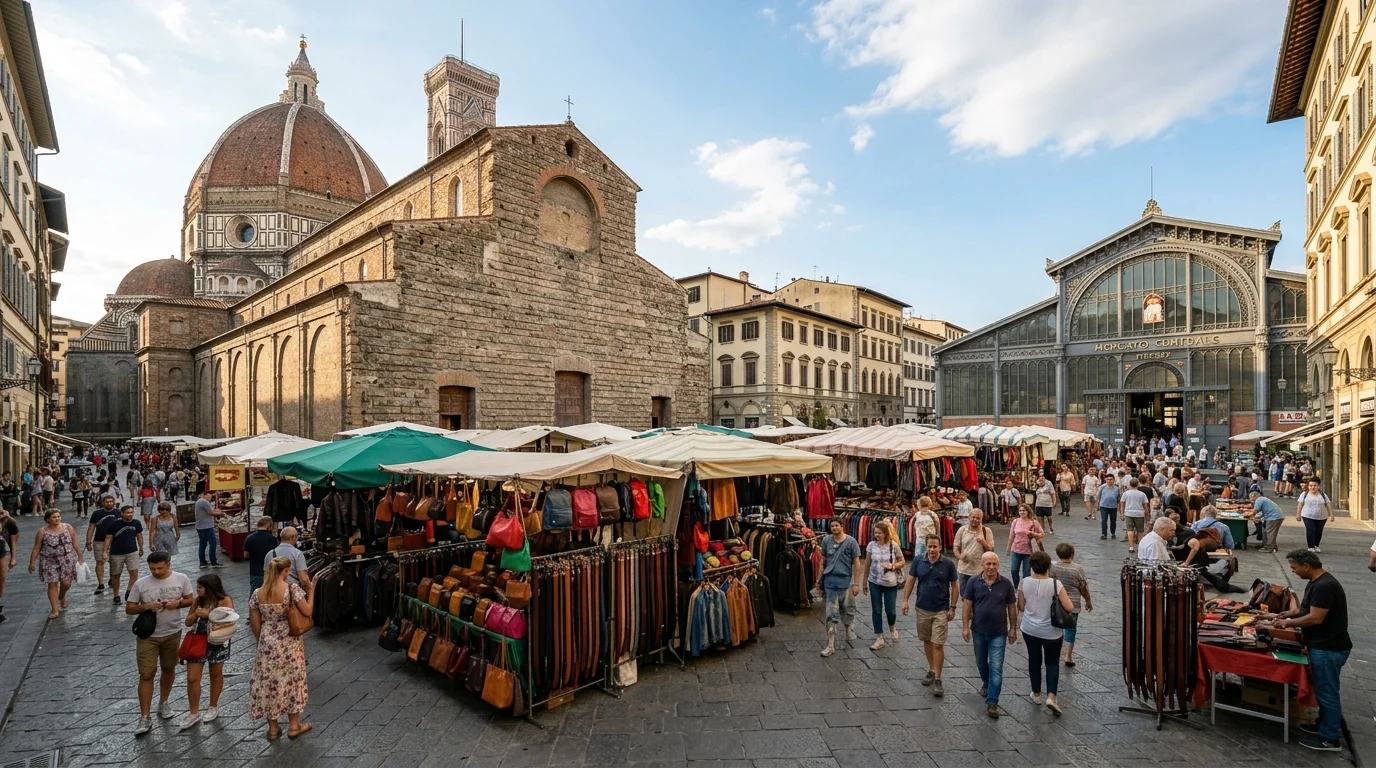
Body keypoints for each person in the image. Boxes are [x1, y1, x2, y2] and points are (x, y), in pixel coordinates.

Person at [1267, 550, 1350, 752]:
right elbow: (1306, 609)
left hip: (1328, 647)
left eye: (1294, 568)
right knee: (1326, 689)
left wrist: (1287, 623)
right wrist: (1288, 613)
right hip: (1324, 645)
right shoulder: (1317, 582)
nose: (1293, 572)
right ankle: (1324, 725)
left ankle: (1330, 739)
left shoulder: (1324, 586)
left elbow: (1315, 618)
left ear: (1306, 565)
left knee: (1327, 692)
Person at [127, 551, 194, 735]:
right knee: (146, 674)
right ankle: (144, 716)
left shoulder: (182, 579)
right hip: (147, 635)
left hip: (172, 632)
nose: (156, 572)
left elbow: (190, 599)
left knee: (168, 668)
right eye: (152, 569)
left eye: (160, 568)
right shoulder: (141, 583)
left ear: (168, 565)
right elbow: (130, 608)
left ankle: (163, 702)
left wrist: (177, 603)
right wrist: (147, 606)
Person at [250, 556, 315, 740]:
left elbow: (255, 624)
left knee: (270, 684)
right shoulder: (291, 589)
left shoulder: (258, 593)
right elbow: (308, 611)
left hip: (267, 643)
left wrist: (262, 641)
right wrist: (312, 590)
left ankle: (272, 729)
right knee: (292, 681)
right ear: (286, 571)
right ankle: (294, 726)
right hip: (289, 642)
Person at [961, 552, 1018, 719]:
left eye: (994, 564)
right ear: (982, 565)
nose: (991, 567)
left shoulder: (1006, 584)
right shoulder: (973, 582)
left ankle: (992, 701)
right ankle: (986, 682)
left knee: (996, 667)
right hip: (978, 630)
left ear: (998, 565)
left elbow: (1012, 607)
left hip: (998, 632)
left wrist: (1013, 628)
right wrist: (965, 627)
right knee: (980, 662)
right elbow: (966, 606)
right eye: (988, 564)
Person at [1017, 551, 1074, 717]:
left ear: (1032, 566)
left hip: (1029, 629)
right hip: (1052, 632)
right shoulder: (1056, 584)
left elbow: (1020, 606)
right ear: (1048, 566)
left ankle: (1036, 694)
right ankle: (1051, 696)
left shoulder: (1024, 582)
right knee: (1052, 663)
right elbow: (1069, 607)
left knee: (1034, 660)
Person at [901, 534, 958, 697]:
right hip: (922, 608)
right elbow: (911, 581)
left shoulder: (948, 564)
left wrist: (953, 607)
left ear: (940, 547)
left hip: (941, 608)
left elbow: (955, 586)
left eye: (935, 546)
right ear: (926, 547)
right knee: (926, 640)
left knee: (938, 643)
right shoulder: (918, 561)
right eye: (929, 546)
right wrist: (905, 600)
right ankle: (931, 669)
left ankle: (938, 678)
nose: (932, 549)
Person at [180, 573, 234, 730]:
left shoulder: (224, 600)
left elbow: (230, 619)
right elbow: (188, 622)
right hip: (199, 638)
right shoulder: (198, 601)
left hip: (218, 639)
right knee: (192, 677)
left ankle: (213, 706)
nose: (198, 590)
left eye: (201, 587)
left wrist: (210, 615)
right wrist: (196, 614)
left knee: (215, 673)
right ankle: (193, 712)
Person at [817, 518, 862, 656]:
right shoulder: (826, 541)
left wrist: (856, 584)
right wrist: (818, 581)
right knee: (831, 615)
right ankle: (830, 645)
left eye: (837, 525)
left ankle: (848, 627)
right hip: (830, 583)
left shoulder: (851, 542)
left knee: (848, 609)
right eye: (832, 526)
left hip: (846, 583)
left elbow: (857, 563)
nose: (834, 528)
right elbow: (822, 561)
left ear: (842, 526)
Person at [28, 509, 82, 619]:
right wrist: (32, 562)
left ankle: (61, 596)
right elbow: (37, 547)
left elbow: (75, 541)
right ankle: (55, 609)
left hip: (66, 559)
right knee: (52, 584)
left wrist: (80, 555)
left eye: (58, 516)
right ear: (47, 520)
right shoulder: (42, 532)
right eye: (54, 517)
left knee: (66, 583)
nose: (57, 518)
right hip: (49, 561)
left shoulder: (68, 527)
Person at [861, 520, 905, 650]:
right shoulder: (871, 545)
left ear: (885, 533)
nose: (877, 535)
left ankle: (892, 627)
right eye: (875, 533)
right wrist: (864, 581)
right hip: (874, 581)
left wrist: (893, 565)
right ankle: (879, 637)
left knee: (890, 610)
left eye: (880, 533)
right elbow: (867, 563)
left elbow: (902, 561)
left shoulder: (893, 545)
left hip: (890, 582)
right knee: (876, 609)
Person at [1049, 543, 1091, 667]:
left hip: (1058, 602)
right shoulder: (1077, 569)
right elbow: (1082, 587)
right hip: (1073, 604)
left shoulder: (1053, 567)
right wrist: (1088, 600)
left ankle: (1054, 652)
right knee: (1071, 629)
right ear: (1072, 554)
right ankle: (1068, 655)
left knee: (1055, 627)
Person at [101, 505, 146, 606]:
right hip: (116, 553)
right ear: (122, 513)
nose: (130, 515)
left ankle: (129, 591)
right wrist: (104, 552)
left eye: (131, 512)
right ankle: (116, 595)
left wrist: (141, 547)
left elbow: (139, 536)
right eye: (128, 513)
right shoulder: (114, 524)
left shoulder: (136, 523)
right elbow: (108, 538)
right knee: (115, 575)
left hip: (132, 552)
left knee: (134, 573)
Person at [952, 508, 994, 599]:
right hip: (964, 570)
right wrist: (960, 557)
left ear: (981, 519)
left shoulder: (986, 531)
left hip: (979, 571)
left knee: (979, 596)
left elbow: (991, 549)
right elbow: (955, 547)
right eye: (973, 517)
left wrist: (983, 542)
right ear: (969, 517)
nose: (975, 519)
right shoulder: (962, 530)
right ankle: (968, 613)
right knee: (965, 597)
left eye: (978, 518)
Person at [85, 495, 118, 596]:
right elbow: (91, 527)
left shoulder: (118, 512)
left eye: (111, 502)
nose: (109, 504)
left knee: (114, 562)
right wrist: (88, 541)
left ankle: (112, 579)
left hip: (115, 541)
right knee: (100, 562)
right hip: (99, 541)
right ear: (103, 503)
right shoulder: (97, 514)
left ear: (114, 502)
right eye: (107, 502)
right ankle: (100, 583)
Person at [1004, 504, 1043, 588]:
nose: (1022, 512)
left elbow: (1042, 534)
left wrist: (1033, 533)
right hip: (1016, 549)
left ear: (1028, 511)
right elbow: (1012, 535)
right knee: (1014, 570)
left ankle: (1025, 588)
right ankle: (1016, 586)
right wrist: (1008, 547)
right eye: (1020, 511)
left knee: (1026, 572)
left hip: (1028, 551)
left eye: (1024, 510)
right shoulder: (1016, 521)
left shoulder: (1033, 522)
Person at [244, 516, 279, 592]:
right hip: (269, 570)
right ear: (268, 525)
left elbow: (245, 555)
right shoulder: (272, 539)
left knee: (254, 592)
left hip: (255, 570)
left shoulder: (249, 538)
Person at [1296, 480, 1333, 552]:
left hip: (1321, 516)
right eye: (1311, 485)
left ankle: (1316, 545)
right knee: (1310, 529)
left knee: (1318, 531)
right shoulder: (1304, 494)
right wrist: (1298, 514)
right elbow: (1300, 504)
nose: (1313, 487)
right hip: (1307, 515)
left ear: (1319, 486)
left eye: (1315, 485)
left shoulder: (1323, 495)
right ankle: (1310, 546)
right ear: (1308, 486)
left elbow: (1328, 504)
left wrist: (1331, 515)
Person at [194, 489, 223, 568]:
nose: (210, 498)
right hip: (206, 526)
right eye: (209, 496)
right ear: (204, 494)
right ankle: (213, 561)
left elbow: (210, 510)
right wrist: (221, 513)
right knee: (213, 543)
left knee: (203, 544)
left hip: (200, 526)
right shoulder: (204, 501)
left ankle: (202, 562)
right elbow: (211, 512)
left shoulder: (199, 501)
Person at [1119, 478, 1148, 553]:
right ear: (1138, 485)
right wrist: (1147, 514)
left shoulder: (1126, 493)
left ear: (1130, 485)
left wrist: (1122, 513)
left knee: (1130, 530)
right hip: (1139, 513)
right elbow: (1145, 505)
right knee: (1140, 531)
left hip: (1128, 513)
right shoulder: (1142, 494)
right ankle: (1140, 547)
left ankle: (1131, 546)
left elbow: (1122, 504)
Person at [0, 508, 17, 622]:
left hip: (0, 548)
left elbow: (15, 534)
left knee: (2, 578)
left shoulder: (5, 518)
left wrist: (13, 556)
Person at [1096, 474, 1120, 540]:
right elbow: (1098, 496)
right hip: (1104, 506)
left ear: (1113, 480)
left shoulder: (1116, 488)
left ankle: (1113, 533)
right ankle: (1104, 534)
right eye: (1108, 479)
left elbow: (1118, 498)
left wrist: (1119, 507)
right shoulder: (1102, 487)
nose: (1109, 481)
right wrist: (1097, 505)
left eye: (1111, 479)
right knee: (1104, 520)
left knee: (1113, 521)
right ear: (1105, 480)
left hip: (1113, 507)